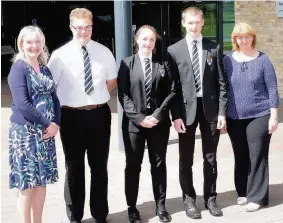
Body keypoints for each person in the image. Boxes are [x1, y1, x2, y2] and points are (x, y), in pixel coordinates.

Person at [48, 8, 117, 223]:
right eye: (79, 27)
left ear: (92, 27)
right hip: (71, 117)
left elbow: (111, 82)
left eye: (88, 27)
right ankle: (75, 215)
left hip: (98, 115)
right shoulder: (59, 56)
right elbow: (52, 87)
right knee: (74, 167)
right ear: (71, 28)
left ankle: (99, 214)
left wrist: (92, 99)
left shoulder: (104, 52)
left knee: (99, 167)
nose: (84, 31)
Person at [167, 6, 227, 219]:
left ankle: (210, 199)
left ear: (203, 23)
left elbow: (221, 83)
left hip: (210, 110)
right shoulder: (173, 51)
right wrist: (176, 116)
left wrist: (222, 112)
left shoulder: (214, 47)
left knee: (210, 157)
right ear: (183, 23)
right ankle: (189, 200)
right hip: (185, 112)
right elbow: (173, 88)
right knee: (186, 158)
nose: (194, 26)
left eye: (197, 22)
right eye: (189, 22)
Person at [118, 25, 178, 223]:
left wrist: (157, 115)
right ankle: (132, 208)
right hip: (134, 125)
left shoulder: (163, 62)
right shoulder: (127, 64)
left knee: (158, 165)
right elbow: (123, 95)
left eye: (151, 40)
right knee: (133, 165)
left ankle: (160, 206)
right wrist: (139, 118)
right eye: (144, 39)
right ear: (137, 40)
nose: (148, 43)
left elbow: (172, 90)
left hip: (158, 124)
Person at [224, 22, 279, 212]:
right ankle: (243, 192)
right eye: (240, 37)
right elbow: (222, 88)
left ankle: (258, 197)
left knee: (258, 156)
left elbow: (272, 88)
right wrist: (222, 114)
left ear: (253, 37)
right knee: (240, 155)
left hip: (260, 114)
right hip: (234, 116)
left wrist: (274, 116)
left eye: (247, 36)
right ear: (235, 39)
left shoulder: (263, 60)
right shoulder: (227, 60)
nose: (243, 40)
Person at [8, 25, 60, 223]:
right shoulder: (18, 68)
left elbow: (55, 99)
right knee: (27, 184)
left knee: (41, 182)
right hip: (25, 134)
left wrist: (56, 123)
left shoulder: (45, 68)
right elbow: (23, 104)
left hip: (45, 133)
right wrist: (49, 123)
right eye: (29, 42)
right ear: (21, 44)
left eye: (37, 41)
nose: (34, 46)